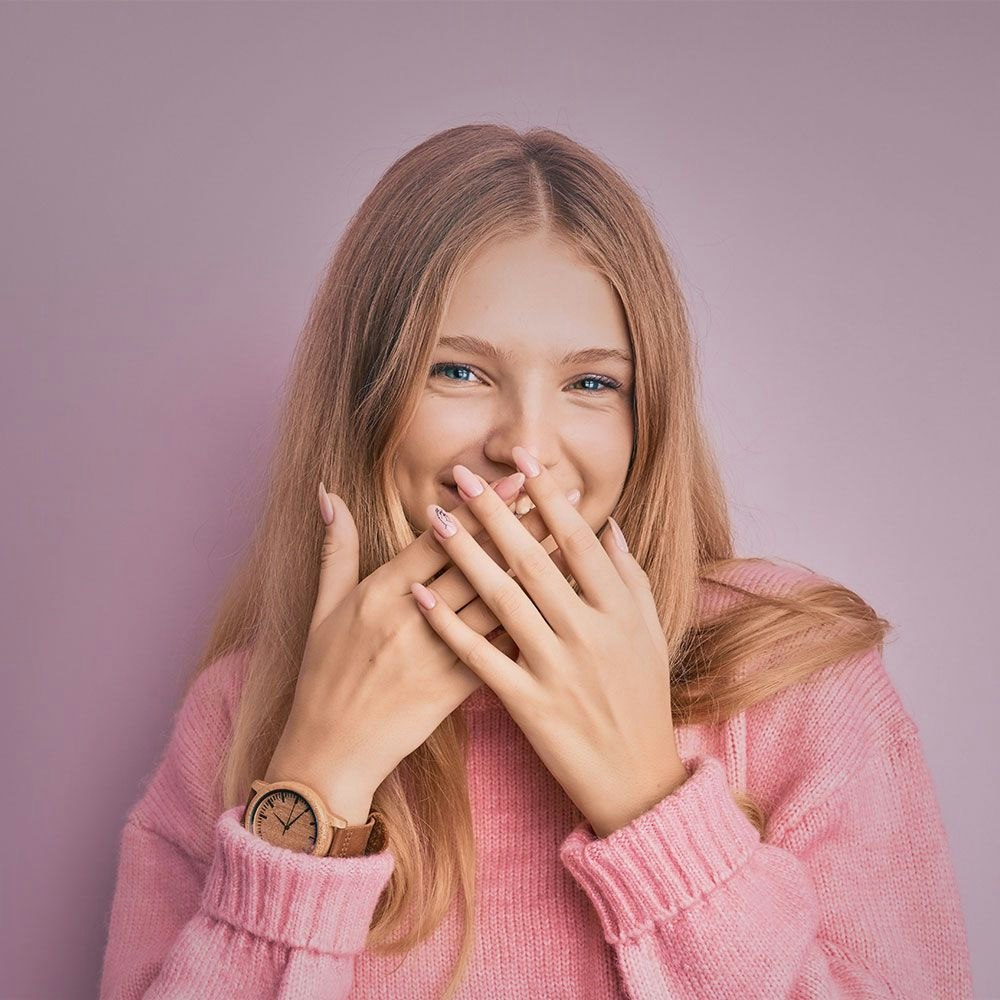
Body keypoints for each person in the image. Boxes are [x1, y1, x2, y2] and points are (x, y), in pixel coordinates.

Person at [98, 124, 973, 1000]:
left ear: (647, 420)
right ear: (366, 401)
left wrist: (649, 799)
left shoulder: (792, 680)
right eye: (458, 372)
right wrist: (316, 786)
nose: (524, 446)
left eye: (592, 383)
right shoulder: (236, 712)